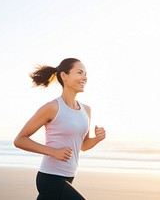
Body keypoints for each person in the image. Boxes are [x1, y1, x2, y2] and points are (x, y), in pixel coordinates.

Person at [14, 58, 106, 200]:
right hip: (50, 178)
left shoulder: (86, 110)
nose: (84, 77)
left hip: (69, 176)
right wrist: (53, 151)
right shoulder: (52, 108)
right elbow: (20, 140)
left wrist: (97, 139)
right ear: (64, 76)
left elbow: (83, 146)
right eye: (79, 72)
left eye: (86, 73)